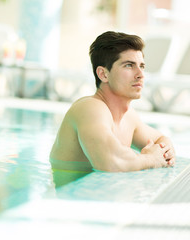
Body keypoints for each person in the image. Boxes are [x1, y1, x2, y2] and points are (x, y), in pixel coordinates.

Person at [49, 31, 176, 186]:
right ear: (103, 74)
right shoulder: (89, 108)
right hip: (71, 201)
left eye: (142, 66)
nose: (140, 74)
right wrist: (151, 159)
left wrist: (165, 151)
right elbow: (111, 163)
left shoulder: (129, 117)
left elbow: (161, 139)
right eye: (129, 65)